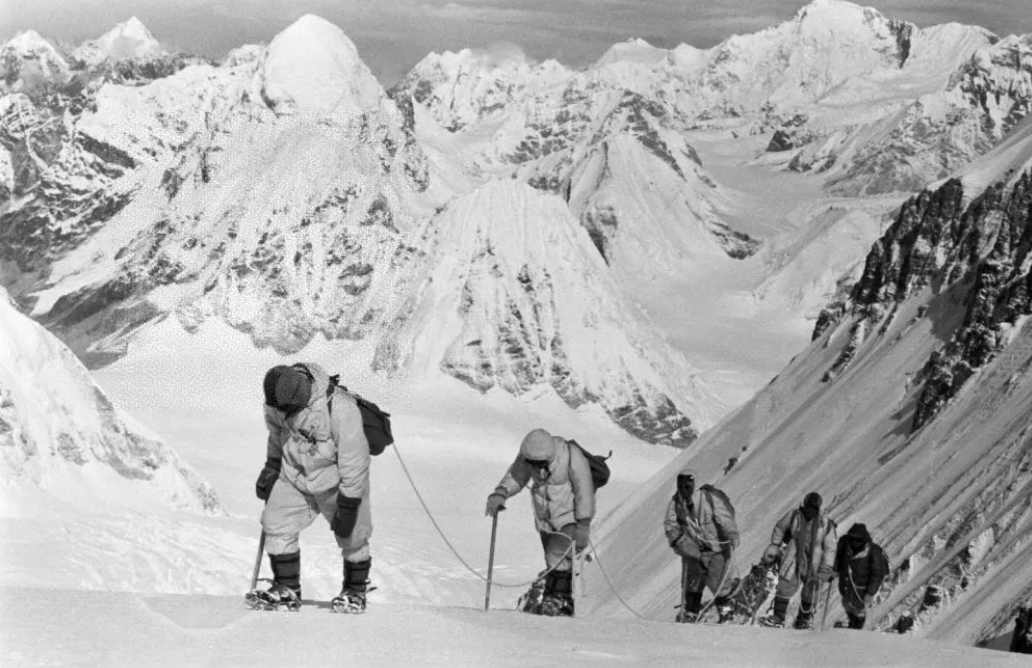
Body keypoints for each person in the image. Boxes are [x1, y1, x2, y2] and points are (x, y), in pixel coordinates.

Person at [246, 363, 373, 613]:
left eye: (287, 409)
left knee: (353, 535)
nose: (282, 413)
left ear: (300, 397)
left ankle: (355, 592)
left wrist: (349, 502)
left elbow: (354, 459)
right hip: (295, 475)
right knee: (275, 523)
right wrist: (272, 467)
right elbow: (276, 435)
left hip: (336, 481)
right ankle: (287, 589)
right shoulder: (277, 403)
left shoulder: (341, 408)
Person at [484, 428, 595, 617]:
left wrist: (583, 524)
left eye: (539, 463)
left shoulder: (570, 456)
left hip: (570, 517)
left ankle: (557, 599)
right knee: (554, 558)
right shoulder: (528, 457)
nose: (535, 467)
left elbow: (584, 490)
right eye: (532, 463)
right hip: (546, 521)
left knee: (556, 554)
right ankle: (562, 602)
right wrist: (501, 492)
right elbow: (517, 475)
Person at [663, 466, 740, 623]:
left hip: (717, 548)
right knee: (693, 581)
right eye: (680, 486)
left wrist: (732, 533)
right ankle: (690, 613)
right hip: (693, 550)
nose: (683, 489)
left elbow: (725, 518)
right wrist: (685, 546)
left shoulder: (708, 499)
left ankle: (726, 612)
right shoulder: (676, 503)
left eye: (687, 486)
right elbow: (670, 526)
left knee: (719, 582)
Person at [760, 491, 838, 629]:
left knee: (811, 590)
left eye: (814, 508)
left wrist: (826, 567)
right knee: (785, 585)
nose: (810, 511)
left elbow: (830, 547)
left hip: (814, 561)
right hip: (794, 556)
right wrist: (775, 545)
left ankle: (803, 620)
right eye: (809, 507)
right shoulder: (794, 516)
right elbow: (780, 527)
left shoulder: (825, 524)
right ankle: (778, 618)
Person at [833, 523, 889, 629]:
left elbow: (877, 574)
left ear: (863, 539)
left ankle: (857, 628)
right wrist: (835, 571)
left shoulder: (873, 551)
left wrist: (870, 593)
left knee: (860, 610)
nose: (854, 542)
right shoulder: (845, 545)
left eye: (857, 540)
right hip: (849, 585)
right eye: (852, 539)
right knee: (846, 603)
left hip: (863, 589)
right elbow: (839, 559)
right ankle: (853, 624)